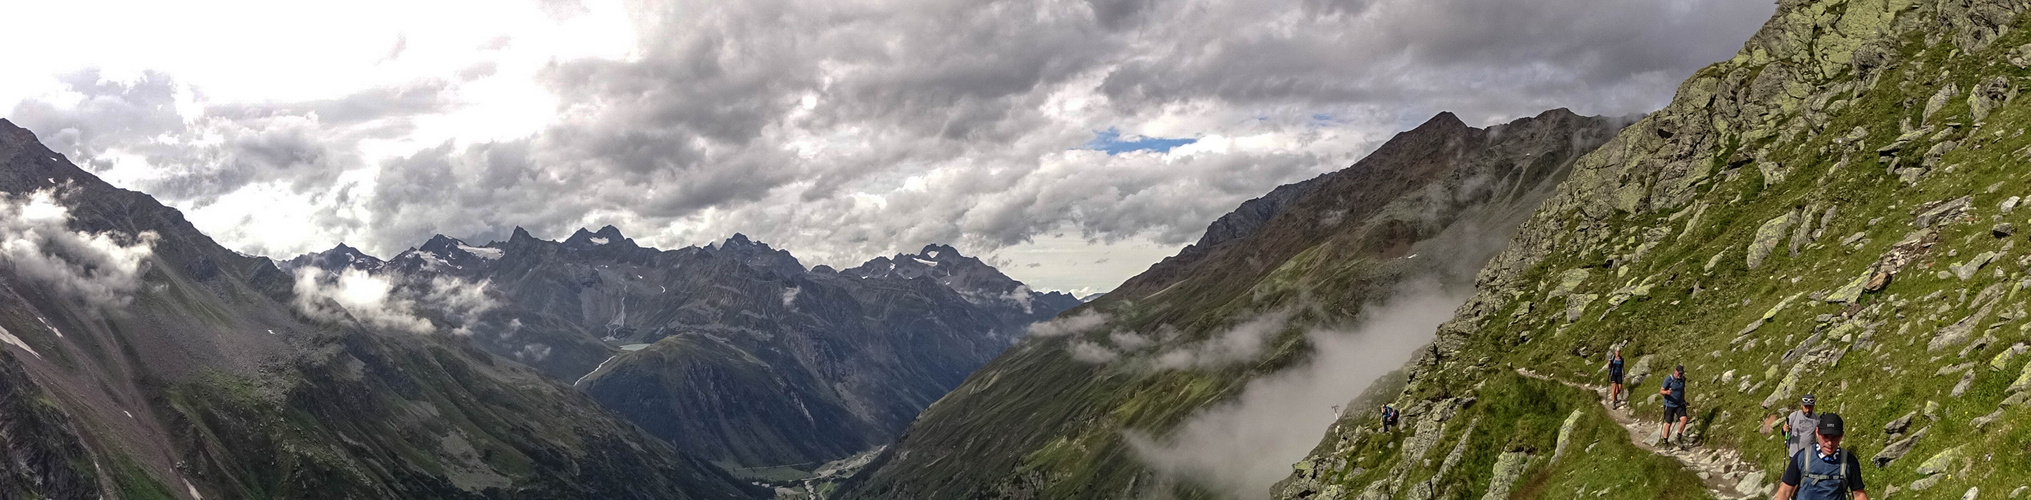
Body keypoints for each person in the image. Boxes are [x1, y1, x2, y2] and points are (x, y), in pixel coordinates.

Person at [1773, 412, 1868, 500]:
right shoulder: (1801, 457)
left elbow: (1859, 494)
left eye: (1835, 437)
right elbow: (1785, 491)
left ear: (1841, 436)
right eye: (1825, 436)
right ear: (1817, 432)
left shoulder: (1849, 461)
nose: (1830, 443)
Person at [1782, 394, 1819, 459]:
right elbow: (1784, 432)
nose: (1807, 410)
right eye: (1806, 407)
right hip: (1794, 454)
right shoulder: (1794, 416)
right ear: (1801, 405)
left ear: (1813, 406)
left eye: (1810, 407)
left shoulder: (1817, 418)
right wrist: (1785, 429)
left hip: (1810, 455)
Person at [1660, 364, 1689, 444]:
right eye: (1679, 373)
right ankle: (1665, 441)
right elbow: (1661, 391)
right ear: (1675, 371)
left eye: (1681, 373)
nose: (1680, 375)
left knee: (1684, 419)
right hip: (1669, 404)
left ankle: (1678, 437)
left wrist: (1684, 400)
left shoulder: (1683, 379)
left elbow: (1682, 390)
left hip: (1679, 404)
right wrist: (1666, 392)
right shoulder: (1669, 379)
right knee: (1669, 423)